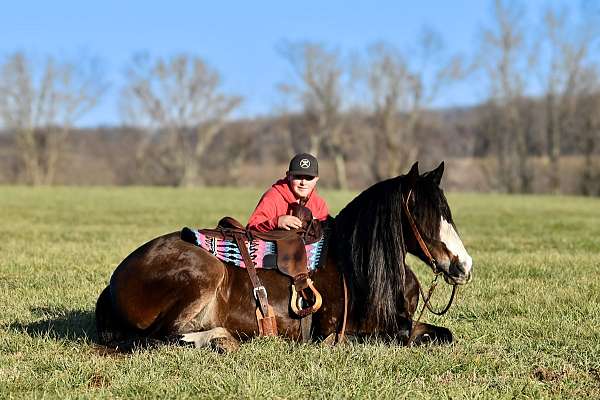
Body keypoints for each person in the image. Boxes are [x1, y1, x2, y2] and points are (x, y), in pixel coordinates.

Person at [247, 153, 329, 232]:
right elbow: (251, 228)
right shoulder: (272, 197)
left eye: (309, 178)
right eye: (298, 177)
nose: (303, 183)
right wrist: (276, 222)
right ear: (289, 176)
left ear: (316, 179)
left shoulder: (319, 204)